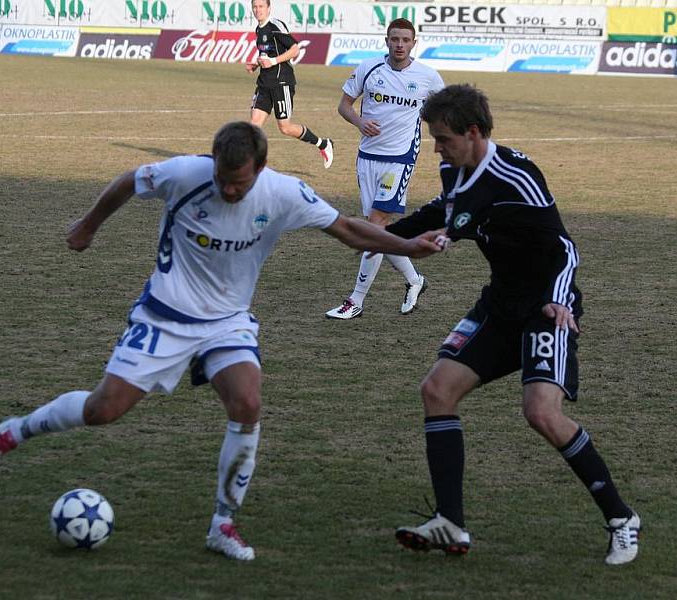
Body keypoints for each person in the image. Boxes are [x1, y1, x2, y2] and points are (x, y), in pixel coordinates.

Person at [0, 122, 442, 561]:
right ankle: (18, 429)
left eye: (239, 182)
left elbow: (348, 230)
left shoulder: (284, 193)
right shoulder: (185, 174)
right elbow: (127, 182)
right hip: (165, 314)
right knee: (102, 411)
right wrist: (89, 224)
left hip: (227, 322)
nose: (229, 189)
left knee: (248, 402)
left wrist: (407, 245)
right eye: (222, 179)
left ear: (260, 168)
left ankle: (223, 523)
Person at [385, 85, 641, 565]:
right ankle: (450, 524)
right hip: (499, 305)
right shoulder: (453, 168)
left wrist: (560, 300)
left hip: (546, 307)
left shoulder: (517, 176)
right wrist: (375, 233)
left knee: (541, 413)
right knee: (437, 390)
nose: (436, 148)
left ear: (474, 132)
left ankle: (621, 518)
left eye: (443, 138)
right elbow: (446, 211)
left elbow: (563, 248)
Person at [325, 18, 445, 320]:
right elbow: (344, 105)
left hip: (400, 158)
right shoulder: (369, 68)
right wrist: (359, 121)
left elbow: (446, 111)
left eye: (406, 40)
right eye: (395, 39)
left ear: (414, 43)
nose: (400, 45)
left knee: (376, 226)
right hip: (367, 157)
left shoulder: (428, 77)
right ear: (387, 40)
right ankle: (415, 280)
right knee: (378, 229)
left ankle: (356, 300)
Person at [246, 0, 333, 168]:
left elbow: (294, 49)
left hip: (281, 82)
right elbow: (267, 52)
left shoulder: (275, 25)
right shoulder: (259, 28)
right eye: (255, 7)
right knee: (254, 125)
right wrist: (256, 64)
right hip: (264, 83)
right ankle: (253, 164)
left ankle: (323, 144)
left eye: (261, 6)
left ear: (269, 8)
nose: (258, 10)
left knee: (285, 128)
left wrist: (273, 61)